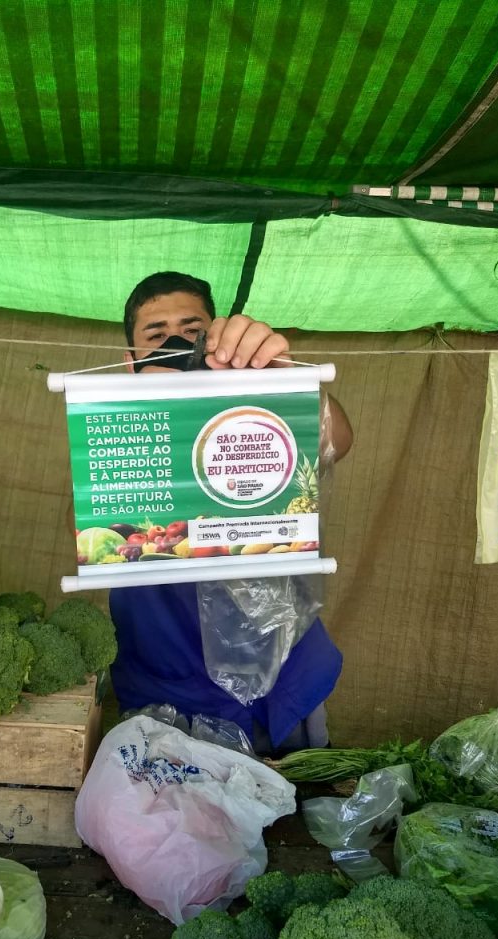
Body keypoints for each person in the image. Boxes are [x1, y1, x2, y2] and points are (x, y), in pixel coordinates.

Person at [108, 272, 352, 756]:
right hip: (168, 690)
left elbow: (334, 441)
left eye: (192, 331)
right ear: (131, 361)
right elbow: (94, 531)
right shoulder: (119, 437)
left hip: (282, 679)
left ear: (215, 339)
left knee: (299, 791)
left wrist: (282, 378)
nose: (176, 344)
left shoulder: (250, 414)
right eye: (156, 335)